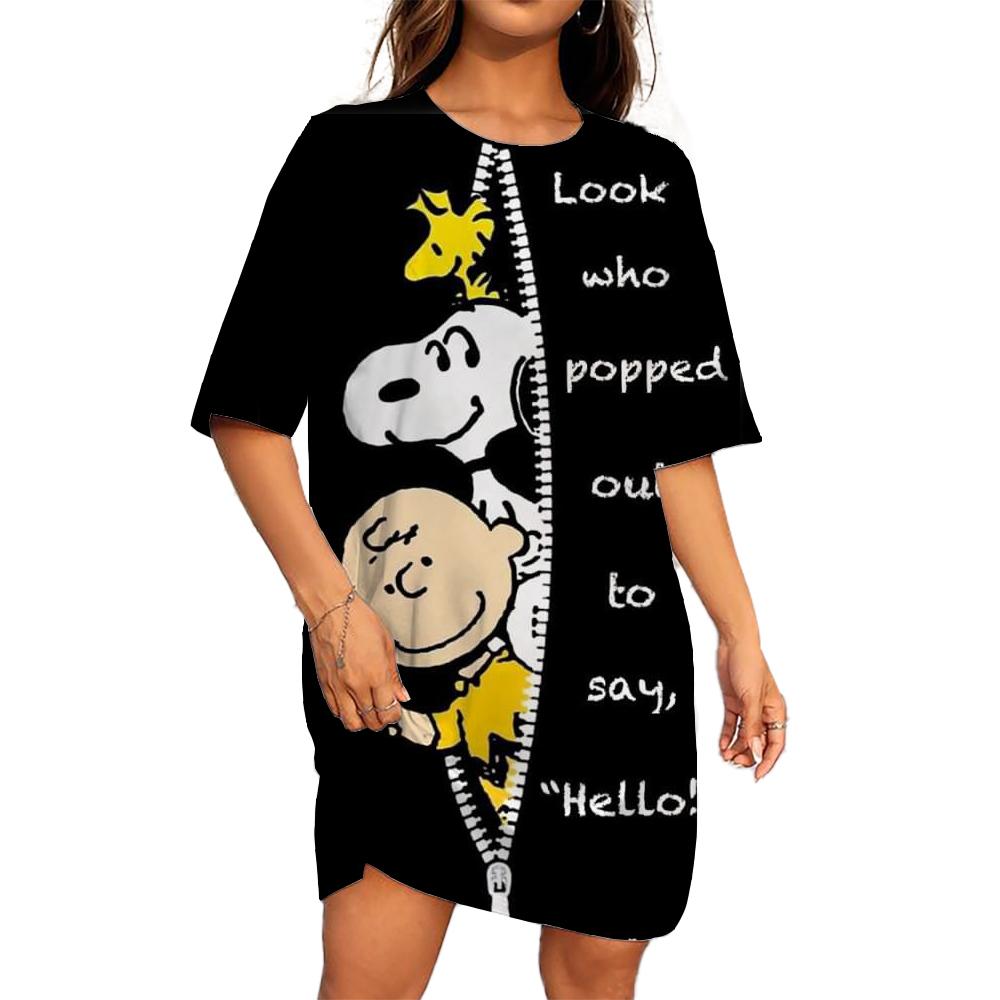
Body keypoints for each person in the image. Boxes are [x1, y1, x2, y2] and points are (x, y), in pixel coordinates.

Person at [189, 1, 788, 996]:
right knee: (373, 976)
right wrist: (331, 609)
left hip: (618, 662)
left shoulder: (650, 181)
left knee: (598, 969)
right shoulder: (345, 156)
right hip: (399, 659)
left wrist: (740, 630)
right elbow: (247, 413)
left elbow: (676, 447)